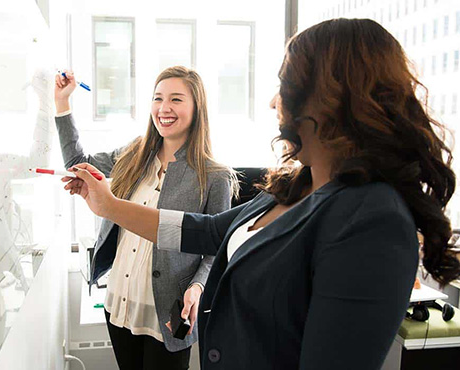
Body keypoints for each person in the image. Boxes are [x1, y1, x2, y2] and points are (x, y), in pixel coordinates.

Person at [62, 19, 460, 369]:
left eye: (284, 85)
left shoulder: (372, 220)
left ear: (331, 97)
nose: (273, 102)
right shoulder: (295, 186)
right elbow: (207, 231)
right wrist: (109, 206)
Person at [54, 66, 236, 369]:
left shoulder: (215, 177)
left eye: (176, 99)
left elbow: (216, 247)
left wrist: (198, 287)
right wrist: (63, 103)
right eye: (158, 98)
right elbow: (78, 164)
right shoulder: (134, 153)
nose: (164, 108)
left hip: (166, 313)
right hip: (120, 302)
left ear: (197, 107)